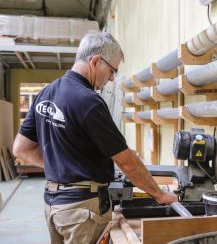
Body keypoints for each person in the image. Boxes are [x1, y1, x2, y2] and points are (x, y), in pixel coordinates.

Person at [13, 32, 178, 244]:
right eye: (112, 70)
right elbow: (125, 161)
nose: (111, 78)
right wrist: (159, 195)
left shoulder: (46, 93)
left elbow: (21, 148)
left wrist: (60, 169)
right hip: (82, 211)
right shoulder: (89, 101)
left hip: (54, 205)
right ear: (95, 61)